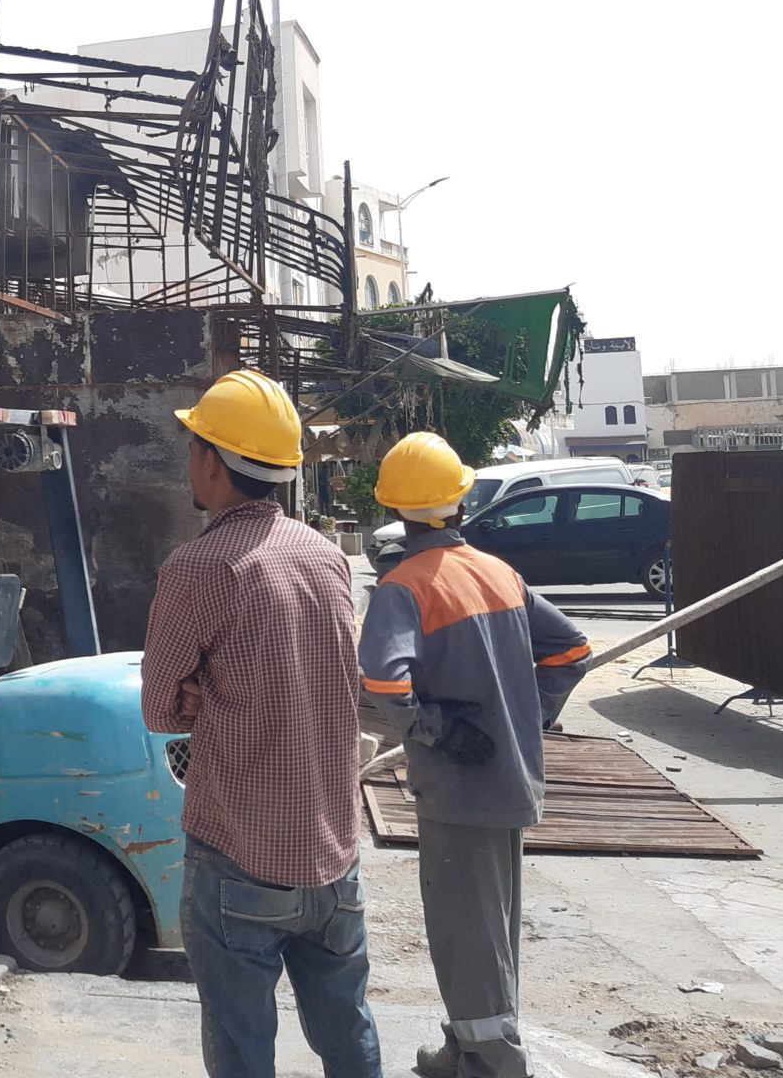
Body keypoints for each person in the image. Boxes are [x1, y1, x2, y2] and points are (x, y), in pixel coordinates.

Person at [142, 368, 383, 1078]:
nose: (190, 461)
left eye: (194, 447)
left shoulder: (200, 567)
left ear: (213, 462)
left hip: (240, 856)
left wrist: (201, 694)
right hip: (333, 856)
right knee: (349, 1036)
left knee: (243, 1047)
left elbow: (159, 709)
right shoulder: (326, 557)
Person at [357, 432, 592, 1078]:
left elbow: (383, 684)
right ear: (461, 505)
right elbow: (573, 650)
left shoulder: (404, 588)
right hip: (510, 783)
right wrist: (530, 715)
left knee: (468, 937)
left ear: (400, 514)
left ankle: (494, 1065)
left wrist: (434, 729)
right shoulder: (499, 573)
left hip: (458, 795)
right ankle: (466, 1050)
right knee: (490, 934)